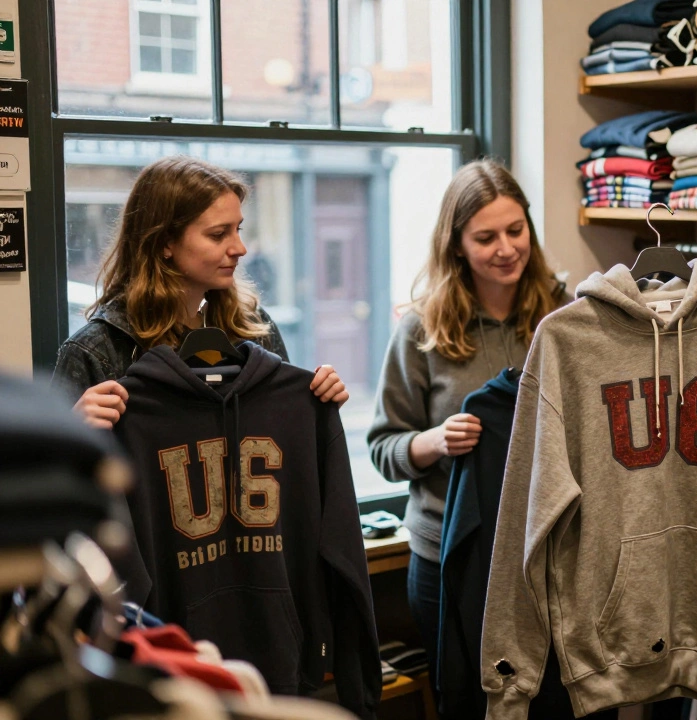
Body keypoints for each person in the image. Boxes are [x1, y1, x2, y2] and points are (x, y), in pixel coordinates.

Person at [366, 159, 565, 677]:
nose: (506, 248)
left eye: (515, 230)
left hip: (545, 553)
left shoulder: (565, 318)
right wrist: (434, 442)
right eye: (486, 237)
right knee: (464, 698)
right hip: (446, 555)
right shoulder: (420, 329)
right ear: (456, 244)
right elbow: (383, 448)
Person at [54, 156, 348, 428]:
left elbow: (285, 436)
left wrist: (318, 401)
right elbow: (50, 477)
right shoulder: (99, 350)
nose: (239, 249)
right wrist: (70, 431)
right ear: (165, 242)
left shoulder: (254, 328)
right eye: (219, 235)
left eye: (238, 230)